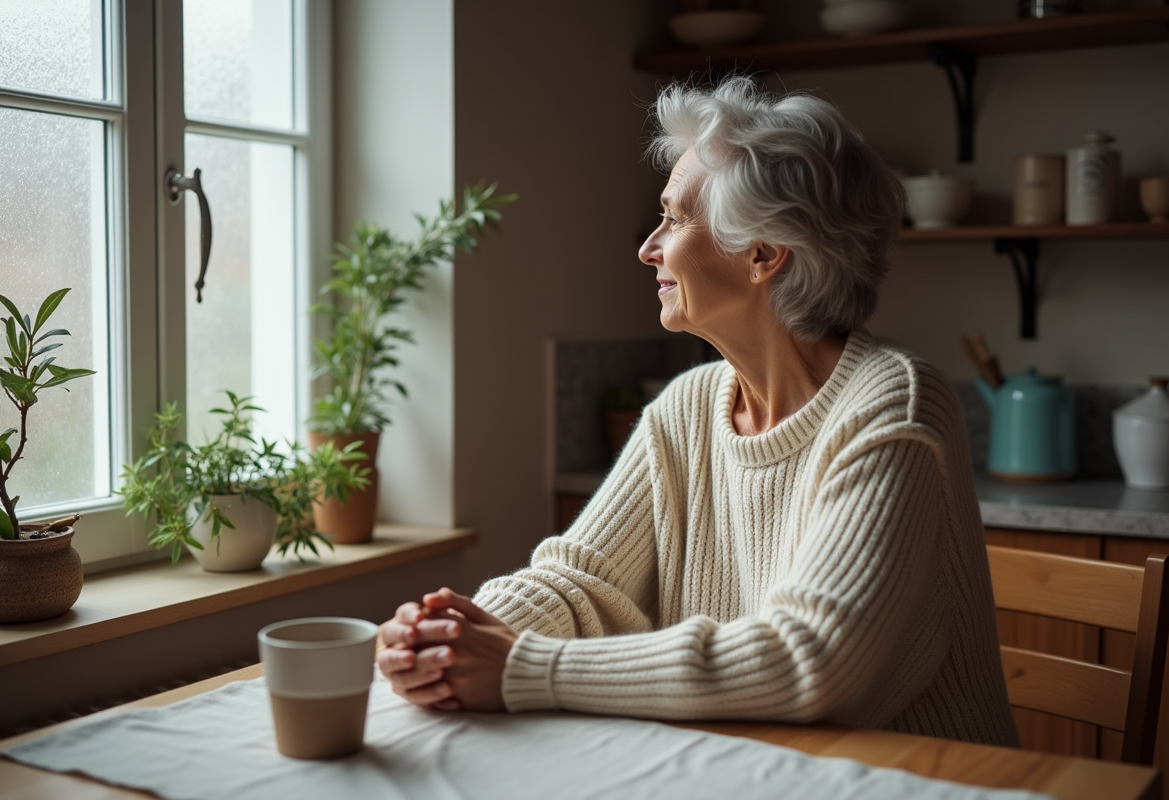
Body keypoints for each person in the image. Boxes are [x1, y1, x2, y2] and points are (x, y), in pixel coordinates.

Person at [377, 76, 1019, 747]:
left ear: (764, 255)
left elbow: (810, 660)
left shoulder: (892, 402)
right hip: (754, 766)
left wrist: (527, 667)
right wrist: (454, 635)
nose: (648, 247)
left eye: (677, 218)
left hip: (914, 778)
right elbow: (578, 581)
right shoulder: (687, 406)